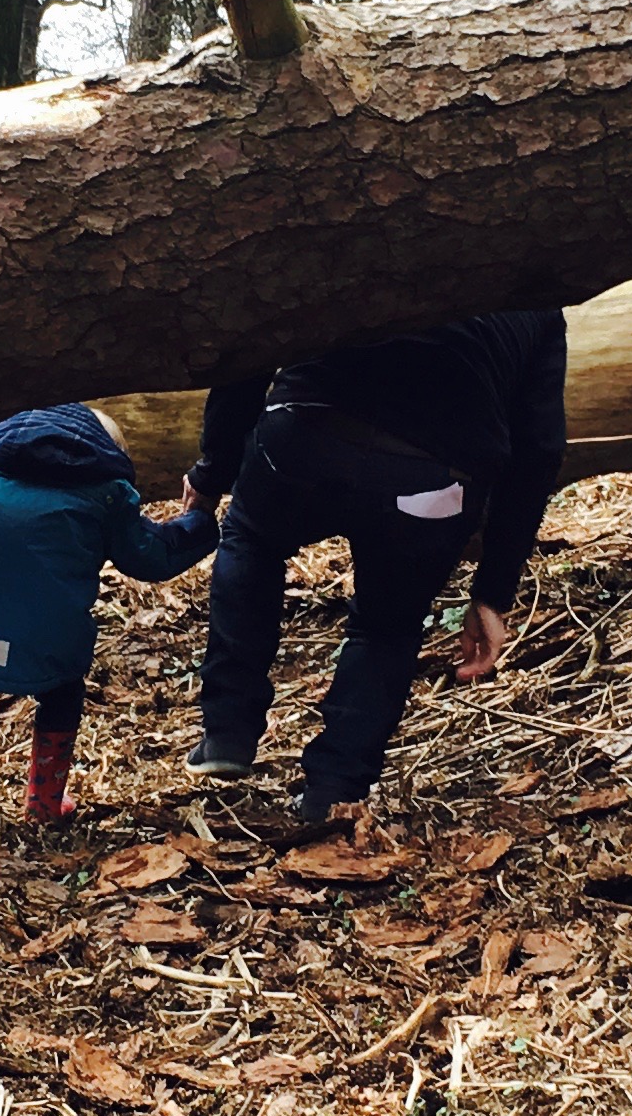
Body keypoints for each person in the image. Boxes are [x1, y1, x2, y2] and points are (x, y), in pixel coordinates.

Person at [187, 309, 570, 826]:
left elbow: (248, 354)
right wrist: (493, 591)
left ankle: (228, 729)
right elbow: (539, 450)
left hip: (304, 436)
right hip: (433, 481)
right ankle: (334, 789)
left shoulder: (363, 232)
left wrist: (212, 474)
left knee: (253, 540)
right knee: (388, 626)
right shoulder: (538, 292)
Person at [0, 405, 216, 858]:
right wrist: (199, 522)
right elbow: (150, 557)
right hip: (49, 638)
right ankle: (44, 802)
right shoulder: (106, 494)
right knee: (62, 697)